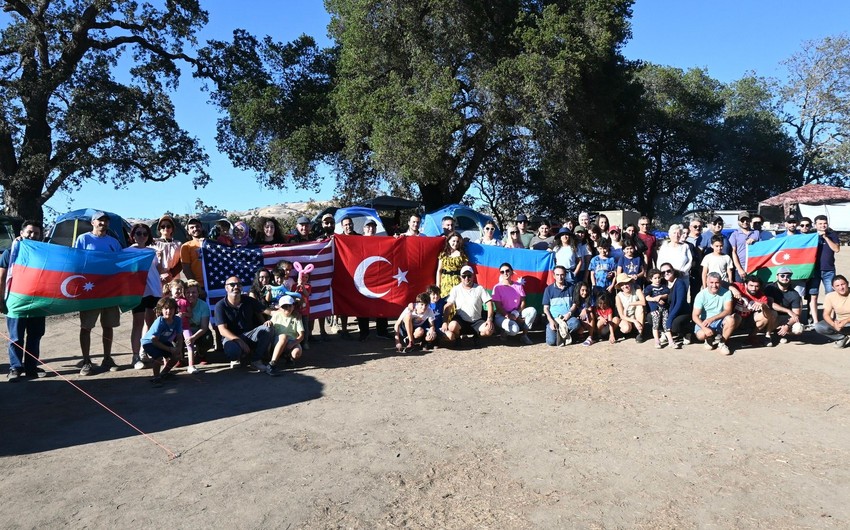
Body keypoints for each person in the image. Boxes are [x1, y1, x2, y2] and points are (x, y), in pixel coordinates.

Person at [74, 211, 122, 376]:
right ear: (92, 222)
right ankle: (86, 361)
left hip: (109, 289)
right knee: (86, 326)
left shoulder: (113, 242)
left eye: (106, 221)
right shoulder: (83, 239)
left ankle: (107, 358)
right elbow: (77, 261)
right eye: (100, 221)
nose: (103, 223)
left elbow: (120, 263)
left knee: (108, 325)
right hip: (89, 289)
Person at [1, 221, 47, 381]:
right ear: (21, 233)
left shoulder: (44, 255)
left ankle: (31, 367)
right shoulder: (10, 252)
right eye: (29, 232)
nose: (32, 236)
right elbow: (1, 277)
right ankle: (15, 368)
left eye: (36, 233)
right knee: (16, 337)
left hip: (38, 303)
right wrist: (0, 299)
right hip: (16, 303)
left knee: (35, 336)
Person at [215, 276, 273, 372]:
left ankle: (256, 360)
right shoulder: (220, 306)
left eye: (239, 284)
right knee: (232, 352)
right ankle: (236, 357)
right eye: (232, 285)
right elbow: (222, 330)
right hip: (231, 338)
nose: (236, 287)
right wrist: (239, 342)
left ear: (242, 287)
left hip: (249, 335)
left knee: (268, 329)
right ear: (226, 288)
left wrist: (286, 310)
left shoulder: (248, 300)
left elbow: (269, 311)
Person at [126, 223, 162, 369]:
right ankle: (135, 356)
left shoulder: (153, 251)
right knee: (138, 322)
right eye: (138, 233)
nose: (141, 236)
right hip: (138, 292)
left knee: (151, 323)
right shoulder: (126, 252)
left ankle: (143, 352)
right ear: (133, 235)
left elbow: (160, 270)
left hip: (154, 290)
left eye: (145, 234)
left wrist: (162, 262)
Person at [357, 219, 392, 340]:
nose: (370, 229)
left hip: (379, 278)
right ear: (364, 228)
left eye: (373, 227)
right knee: (363, 305)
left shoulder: (381, 241)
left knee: (382, 303)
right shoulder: (357, 241)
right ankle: (364, 332)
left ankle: (382, 330)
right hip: (362, 278)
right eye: (368, 227)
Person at [443, 266, 495, 344]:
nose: (466, 278)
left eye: (469, 276)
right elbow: (448, 305)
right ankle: (458, 339)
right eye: (464, 276)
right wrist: (445, 321)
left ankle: (476, 337)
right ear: (460, 277)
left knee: (488, 330)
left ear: (473, 276)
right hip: (461, 321)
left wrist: (489, 319)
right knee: (452, 326)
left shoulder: (479, 288)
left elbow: (489, 303)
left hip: (477, 320)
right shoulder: (456, 289)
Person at [692, 272, 739, 355]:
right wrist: (704, 327)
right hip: (705, 321)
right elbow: (695, 315)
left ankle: (722, 343)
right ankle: (709, 338)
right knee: (701, 335)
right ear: (707, 282)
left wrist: (713, 318)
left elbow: (728, 310)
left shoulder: (727, 293)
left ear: (720, 282)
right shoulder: (701, 295)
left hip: (720, 320)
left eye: (717, 282)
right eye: (711, 282)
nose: (714, 285)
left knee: (731, 319)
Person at [139, 297, 183, 387]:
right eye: (166, 308)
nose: (169, 311)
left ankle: (164, 373)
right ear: (161, 310)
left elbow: (180, 336)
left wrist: (178, 348)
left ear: (175, 309)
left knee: (178, 355)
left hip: (162, 341)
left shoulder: (177, 320)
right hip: (149, 342)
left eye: (171, 308)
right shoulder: (159, 321)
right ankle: (156, 377)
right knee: (158, 357)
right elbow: (154, 341)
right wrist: (170, 349)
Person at [808, 214, 841, 327]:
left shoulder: (832, 235)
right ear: (815, 225)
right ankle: (815, 321)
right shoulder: (811, 236)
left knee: (830, 295)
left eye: (825, 223)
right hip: (814, 270)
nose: (823, 225)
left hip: (829, 270)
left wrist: (826, 237)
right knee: (813, 296)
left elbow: (836, 249)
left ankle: (830, 320)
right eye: (820, 224)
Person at [491, 263, 537, 344]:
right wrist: (508, 316)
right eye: (502, 272)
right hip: (502, 315)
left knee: (532, 310)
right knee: (514, 330)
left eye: (507, 270)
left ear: (512, 272)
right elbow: (498, 306)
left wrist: (515, 314)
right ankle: (504, 332)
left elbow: (523, 302)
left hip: (516, 313)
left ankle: (524, 335)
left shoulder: (518, 286)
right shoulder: (497, 287)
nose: (505, 273)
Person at [729, 275, 778, 348]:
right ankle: (726, 337)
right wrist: (732, 288)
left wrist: (763, 305)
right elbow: (723, 284)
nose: (753, 289)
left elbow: (769, 314)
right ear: (745, 284)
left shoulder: (762, 296)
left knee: (766, 316)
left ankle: (752, 336)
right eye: (751, 285)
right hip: (734, 317)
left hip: (749, 319)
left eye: (756, 286)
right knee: (735, 317)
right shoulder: (738, 286)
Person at [764, 267, 804, 344]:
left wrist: (787, 326)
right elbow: (770, 303)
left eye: (788, 276)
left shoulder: (795, 294)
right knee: (773, 313)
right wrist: (788, 310)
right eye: (782, 276)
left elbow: (796, 314)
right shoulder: (770, 288)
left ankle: (781, 334)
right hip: (771, 316)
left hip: (785, 319)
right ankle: (767, 335)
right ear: (777, 276)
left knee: (798, 329)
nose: (785, 278)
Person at [543, 266, 579, 346]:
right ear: (554, 276)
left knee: (576, 323)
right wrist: (551, 321)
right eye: (558, 275)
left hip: (567, 319)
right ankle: (563, 335)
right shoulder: (548, 289)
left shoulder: (572, 288)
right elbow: (546, 308)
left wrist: (569, 313)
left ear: (565, 275)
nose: (560, 277)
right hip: (554, 319)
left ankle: (562, 334)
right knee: (551, 342)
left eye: (562, 275)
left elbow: (575, 304)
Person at [268, 294, 305, 374]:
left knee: (296, 353)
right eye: (284, 306)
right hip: (278, 340)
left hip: (292, 340)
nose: (287, 308)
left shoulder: (296, 317)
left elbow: (301, 335)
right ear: (280, 307)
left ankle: (288, 357)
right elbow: (271, 323)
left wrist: (293, 343)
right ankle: (272, 364)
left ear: (293, 306)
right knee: (284, 337)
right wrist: (269, 322)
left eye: (289, 305)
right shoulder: (276, 315)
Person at [661, 264, 693, 346]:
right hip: (668, 311)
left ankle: (686, 332)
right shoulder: (662, 283)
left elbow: (680, 303)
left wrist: (670, 318)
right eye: (663, 272)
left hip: (681, 312)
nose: (666, 273)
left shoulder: (679, 283)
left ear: (673, 271)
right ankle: (664, 332)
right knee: (651, 316)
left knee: (674, 325)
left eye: (668, 271)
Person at [644, 269, 677, 349]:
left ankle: (670, 341)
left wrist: (661, 297)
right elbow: (647, 297)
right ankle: (657, 341)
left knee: (666, 324)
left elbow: (666, 294)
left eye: (659, 277)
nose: (657, 280)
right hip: (655, 309)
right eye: (655, 278)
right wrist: (655, 299)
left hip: (664, 308)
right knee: (656, 325)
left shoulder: (663, 287)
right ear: (650, 279)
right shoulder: (649, 288)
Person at [815, 275, 850, 348]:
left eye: (843, 284)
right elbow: (826, 314)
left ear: (847, 284)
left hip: (846, 322)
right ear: (833, 288)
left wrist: (845, 321)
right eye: (837, 286)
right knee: (819, 326)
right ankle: (841, 337)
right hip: (839, 323)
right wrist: (834, 324)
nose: (841, 287)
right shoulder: (830, 296)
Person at [436, 232, 468, 310]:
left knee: (456, 303)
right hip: (445, 282)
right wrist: (438, 286)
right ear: (449, 241)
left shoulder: (462, 255)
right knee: (445, 302)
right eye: (453, 241)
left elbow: (465, 271)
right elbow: (439, 270)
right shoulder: (443, 254)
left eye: (457, 241)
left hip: (457, 281)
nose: (455, 243)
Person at [184, 280, 213, 365]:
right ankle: (180, 357)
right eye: (188, 292)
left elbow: (204, 327)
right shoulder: (179, 304)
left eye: (194, 292)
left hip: (198, 331)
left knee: (207, 338)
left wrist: (193, 337)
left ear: (198, 293)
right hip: (183, 331)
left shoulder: (203, 305)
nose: (191, 295)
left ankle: (201, 354)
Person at [152, 214, 182, 288]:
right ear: (159, 229)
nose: (166, 228)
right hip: (157, 278)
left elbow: (182, 261)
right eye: (163, 226)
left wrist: (171, 274)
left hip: (173, 277)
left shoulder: (178, 244)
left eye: (168, 226)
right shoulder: (153, 243)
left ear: (172, 228)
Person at [614, 273, 646, 343]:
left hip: (636, 314)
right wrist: (634, 321)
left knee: (640, 307)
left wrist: (629, 304)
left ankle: (640, 333)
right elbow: (622, 315)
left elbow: (643, 302)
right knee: (626, 328)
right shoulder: (618, 296)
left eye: (626, 283)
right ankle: (630, 331)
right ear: (620, 286)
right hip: (627, 317)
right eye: (622, 285)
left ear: (630, 282)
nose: (625, 286)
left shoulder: (637, 288)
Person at [728, 211, 759, 282]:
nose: (745, 222)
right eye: (742, 220)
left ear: (750, 221)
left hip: (754, 267)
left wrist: (755, 241)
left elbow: (762, 249)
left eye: (747, 220)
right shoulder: (734, 234)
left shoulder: (756, 233)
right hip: (741, 269)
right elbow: (733, 252)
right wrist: (739, 269)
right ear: (738, 221)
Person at [180, 217, 206, 289]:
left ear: (202, 227)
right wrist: (195, 286)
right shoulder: (186, 246)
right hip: (199, 286)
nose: (195, 229)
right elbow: (186, 269)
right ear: (188, 231)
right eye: (192, 227)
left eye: (197, 226)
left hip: (213, 283)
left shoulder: (211, 243)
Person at [571, 281, 597, 346]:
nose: (585, 292)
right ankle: (579, 335)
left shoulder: (590, 297)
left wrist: (585, 309)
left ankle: (590, 337)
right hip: (579, 320)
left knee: (590, 313)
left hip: (588, 319)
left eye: (586, 290)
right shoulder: (574, 299)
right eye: (582, 290)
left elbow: (591, 308)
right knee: (579, 329)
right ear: (578, 290)